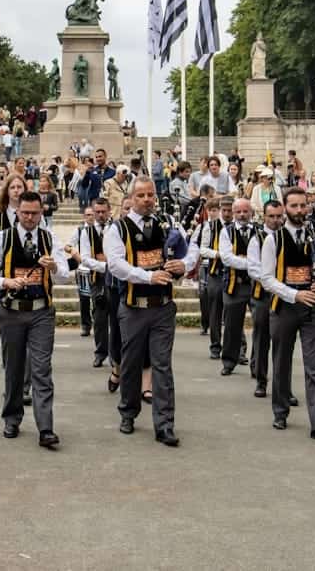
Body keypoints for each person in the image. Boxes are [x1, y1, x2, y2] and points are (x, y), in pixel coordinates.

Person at [105, 177, 198, 447]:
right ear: (132, 198)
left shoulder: (167, 223)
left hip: (163, 309)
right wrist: (147, 277)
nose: (147, 200)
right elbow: (116, 265)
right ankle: (128, 412)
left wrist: (184, 264)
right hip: (134, 308)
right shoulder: (118, 229)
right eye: (142, 195)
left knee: (162, 366)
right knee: (132, 363)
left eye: (151, 195)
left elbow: (190, 246)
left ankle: (164, 424)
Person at [0, 191, 69, 448]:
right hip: (12, 311)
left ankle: (45, 427)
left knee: (42, 369)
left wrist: (53, 267)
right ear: (17, 212)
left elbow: (65, 275)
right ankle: (12, 417)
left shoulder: (49, 238)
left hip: (42, 311)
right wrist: (5, 281)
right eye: (25, 213)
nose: (30, 217)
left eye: (35, 213)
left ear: (42, 213)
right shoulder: (3, 238)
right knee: (14, 367)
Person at [259, 186, 315, 441]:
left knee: (314, 367)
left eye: (302, 205)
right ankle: (280, 411)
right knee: (282, 362)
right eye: (293, 206)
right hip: (284, 308)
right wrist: (294, 294)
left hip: (312, 311)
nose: (299, 210)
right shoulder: (273, 239)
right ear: (285, 208)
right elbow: (266, 278)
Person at [247, 199, 286, 397]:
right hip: (263, 295)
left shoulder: (287, 237)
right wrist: (273, 281)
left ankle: (283, 387)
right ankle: (261, 381)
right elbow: (253, 268)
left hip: (285, 297)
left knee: (283, 343)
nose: (275, 220)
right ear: (264, 216)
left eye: (279, 216)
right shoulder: (257, 238)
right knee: (262, 340)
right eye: (271, 216)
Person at [217, 198, 255, 375]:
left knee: (262, 325)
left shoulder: (260, 231)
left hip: (257, 286)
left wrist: (252, 264)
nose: (242, 215)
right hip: (234, 285)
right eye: (238, 211)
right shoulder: (226, 232)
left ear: (251, 212)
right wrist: (252, 264)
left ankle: (257, 364)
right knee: (232, 326)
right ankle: (229, 361)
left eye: (245, 211)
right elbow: (227, 258)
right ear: (233, 213)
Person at [79, 199, 111, 366]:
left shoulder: (115, 229)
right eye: (97, 211)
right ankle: (100, 352)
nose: (100, 215)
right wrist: (106, 265)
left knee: (117, 317)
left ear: (109, 211)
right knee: (99, 317)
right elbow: (85, 258)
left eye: (103, 211)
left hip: (116, 280)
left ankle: (116, 354)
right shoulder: (87, 232)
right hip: (97, 280)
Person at [197, 197, 230, 359]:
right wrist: (218, 254)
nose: (224, 212)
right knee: (215, 311)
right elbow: (202, 250)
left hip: (233, 273)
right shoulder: (209, 227)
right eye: (222, 209)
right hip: (216, 272)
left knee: (233, 312)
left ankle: (238, 349)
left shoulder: (235, 227)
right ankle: (215, 346)